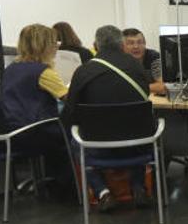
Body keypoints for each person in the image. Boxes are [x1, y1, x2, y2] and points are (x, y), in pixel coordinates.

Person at [62, 25, 155, 211]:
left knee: (75, 140)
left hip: (98, 148)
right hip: (137, 145)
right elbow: (145, 94)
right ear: (122, 44)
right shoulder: (135, 66)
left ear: (96, 45)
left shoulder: (83, 72)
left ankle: (102, 192)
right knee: (139, 127)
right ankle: (138, 187)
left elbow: (71, 112)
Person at [0, 24, 71, 189]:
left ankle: (54, 178)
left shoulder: (11, 69)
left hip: (12, 132)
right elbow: (70, 98)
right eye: (54, 43)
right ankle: (70, 184)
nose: (56, 47)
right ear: (44, 46)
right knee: (75, 132)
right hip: (35, 133)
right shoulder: (43, 72)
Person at [121, 28, 166, 96]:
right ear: (122, 46)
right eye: (131, 43)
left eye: (140, 42)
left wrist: (133, 88)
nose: (136, 46)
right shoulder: (119, 60)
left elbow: (162, 86)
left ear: (145, 44)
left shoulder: (154, 57)